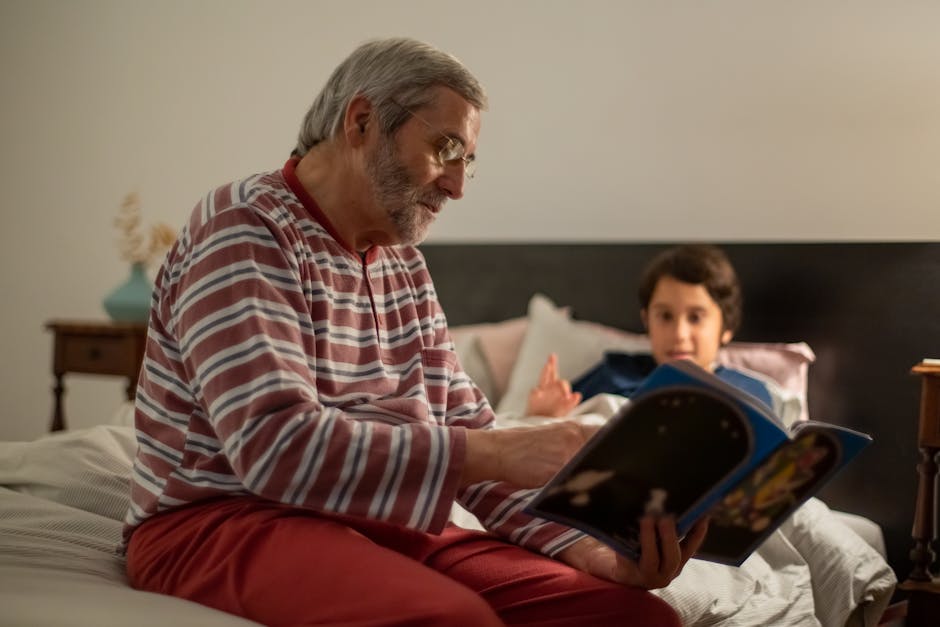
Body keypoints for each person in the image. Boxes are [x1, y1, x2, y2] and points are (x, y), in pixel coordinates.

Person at [122, 38, 705, 627]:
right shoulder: (242, 226)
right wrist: (505, 448)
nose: (457, 187)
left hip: (379, 518)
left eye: (468, 161)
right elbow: (276, 447)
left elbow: (465, 426)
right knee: (454, 621)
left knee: (635, 617)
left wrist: (591, 552)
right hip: (221, 521)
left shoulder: (404, 266)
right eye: (445, 148)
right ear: (362, 121)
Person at [527, 244, 774, 417]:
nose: (679, 334)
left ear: (726, 327)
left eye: (695, 318)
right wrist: (541, 416)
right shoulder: (613, 374)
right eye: (665, 316)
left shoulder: (750, 392)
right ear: (647, 320)